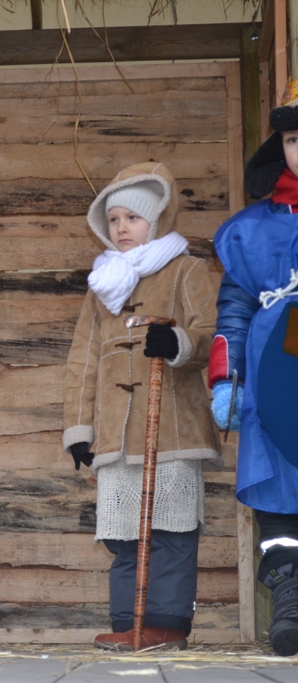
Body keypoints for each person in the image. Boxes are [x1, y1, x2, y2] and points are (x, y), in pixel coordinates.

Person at [62, 162, 220, 651]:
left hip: (172, 428)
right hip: (116, 433)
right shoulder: (102, 285)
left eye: (132, 218)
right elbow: (83, 360)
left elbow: (210, 334)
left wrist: (178, 342)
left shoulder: (187, 270)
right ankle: (127, 622)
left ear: (157, 219)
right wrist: (79, 429)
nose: (122, 228)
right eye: (114, 220)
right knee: (122, 533)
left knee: (171, 529)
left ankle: (166, 624)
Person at [208, 80, 298, 657]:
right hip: (275, 373)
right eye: (293, 139)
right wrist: (227, 380)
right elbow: (235, 311)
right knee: (280, 489)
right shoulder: (250, 230)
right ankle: (291, 601)